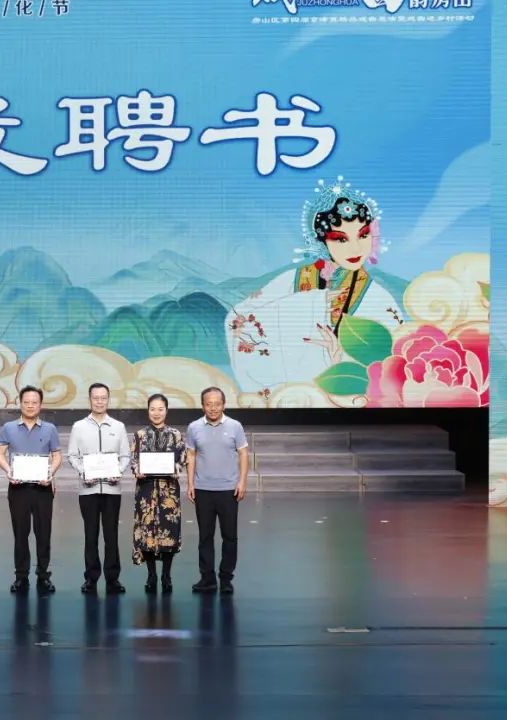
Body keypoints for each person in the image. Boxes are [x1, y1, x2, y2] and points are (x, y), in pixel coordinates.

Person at [226, 179, 403, 392]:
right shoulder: (291, 280)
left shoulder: (379, 299)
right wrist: (305, 304)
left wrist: (338, 357)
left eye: (363, 235)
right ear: (321, 240)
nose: (356, 248)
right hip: (289, 396)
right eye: (341, 239)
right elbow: (236, 321)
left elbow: (393, 365)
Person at [0, 385, 62, 595]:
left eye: (34, 402)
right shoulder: (8, 428)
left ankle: (43, 575)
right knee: (20, 534)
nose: (30, 406)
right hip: (18, 488)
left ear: (40, 404)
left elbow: (57, 455)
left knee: (44, 534)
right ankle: (21, 576)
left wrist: (50, 472)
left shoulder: (50, 429)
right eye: (26, 402)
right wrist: (9, 470)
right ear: (20, 403)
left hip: (43, 489)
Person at [67, 382, 130, 595]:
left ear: (108, 400)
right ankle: (91, 578)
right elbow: (72, 455)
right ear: (90, 400)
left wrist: (118, 471)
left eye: (103, 398)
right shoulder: (78, 427)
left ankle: (113, 578)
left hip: (112, 490)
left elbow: (125, 456)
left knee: (111, 536)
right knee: (90, 535)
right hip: (88, 490)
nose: (100, 401)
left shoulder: (118, 427)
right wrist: (83, 471)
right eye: (96, 398)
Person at [185, 387, 248, 595]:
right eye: (209, 404)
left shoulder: (235, 426)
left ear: (224, 404)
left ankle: (226, 578)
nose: (213, 408)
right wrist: (190, 483)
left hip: (229, 490)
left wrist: (242, 482)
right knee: (205, 537)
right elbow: (191, 455)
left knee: (230, 537)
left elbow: (243, 454)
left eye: (217, 404)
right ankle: (207, 579)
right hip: (203, 489)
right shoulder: (194, 427)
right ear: (202, 405)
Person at [131, 393, 186, 594]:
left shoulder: (176, 434)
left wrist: (177, 468)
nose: (156, 413)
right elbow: (134, 459)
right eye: (153, 409)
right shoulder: (139, 435)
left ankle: (167, 575)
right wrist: (137, 469)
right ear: (148, 411)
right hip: (146, 489)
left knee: (169, 531)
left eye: (160, 409)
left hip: (168, 490)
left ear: (166, 410)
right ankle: (151, 574)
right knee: (147, 530)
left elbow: (182, 459)